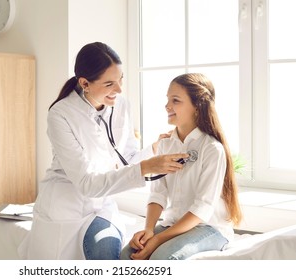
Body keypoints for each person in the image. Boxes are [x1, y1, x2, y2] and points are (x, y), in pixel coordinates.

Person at [21, 42, 188, 260]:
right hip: (65, 208)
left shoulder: (121, 105)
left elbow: (127, 159)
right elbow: (85, 183)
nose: (119, 89)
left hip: (101, 208)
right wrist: (147, 167)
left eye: (121, 80)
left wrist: (153, 150)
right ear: (85, 83)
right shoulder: (60, 114)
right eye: (109, 83)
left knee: (107, 252)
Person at [120, 73, 243, 260]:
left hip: (208, 227)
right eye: (168, 99)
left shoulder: (212, 149)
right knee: (128, 254)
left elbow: (202, 209)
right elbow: (158, 194)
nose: (167, 106)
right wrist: (149, 230)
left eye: (175, 100)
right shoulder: (165, 144)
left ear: (197, 106)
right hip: (173, 225)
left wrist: (159, 240)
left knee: (162, 259)